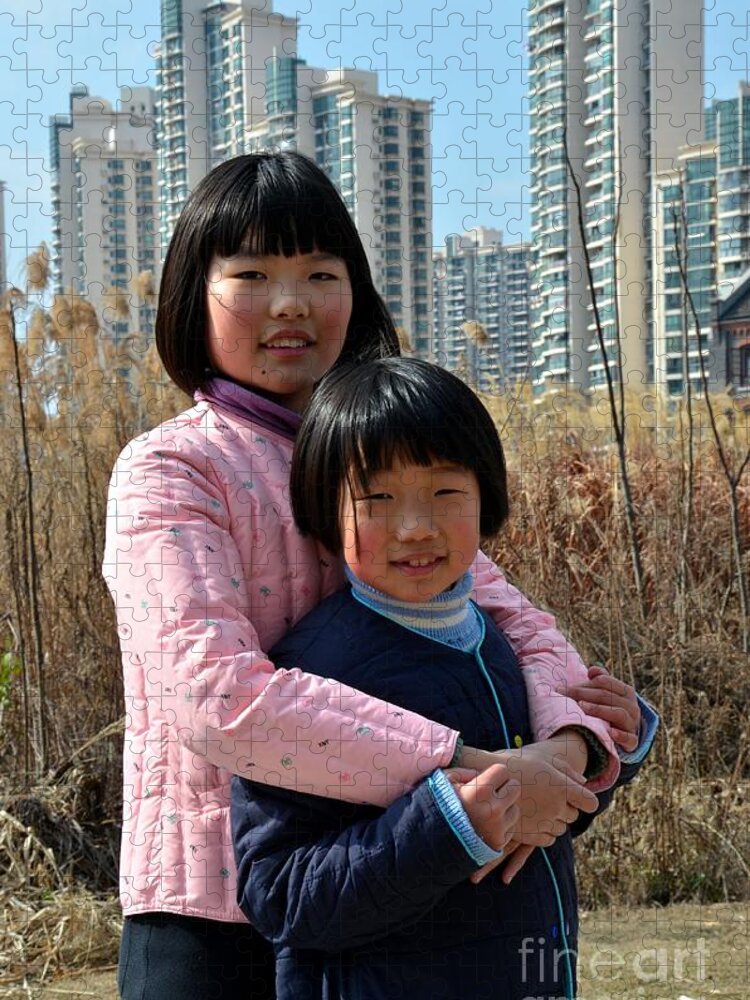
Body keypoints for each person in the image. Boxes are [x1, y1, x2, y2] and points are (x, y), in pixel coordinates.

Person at [104, 152, 639, 1000]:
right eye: (251, 274)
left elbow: (520, 625)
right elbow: (216, 697)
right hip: (211, 915)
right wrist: (475, 771)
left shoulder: (370, 456)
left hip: (385, 897)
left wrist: (571, 742)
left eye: (322, 271)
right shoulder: (171, 469)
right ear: (190, 297)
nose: (291, 302)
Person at [232, 358, 659, 1000]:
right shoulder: (311, 675)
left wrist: (610, 740)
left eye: (444, 492)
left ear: (486, 496)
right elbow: (280, 890)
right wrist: (449, 827)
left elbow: (545, 815)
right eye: (376, 498)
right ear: (325, 508)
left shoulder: (501, 643)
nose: (416, 527)